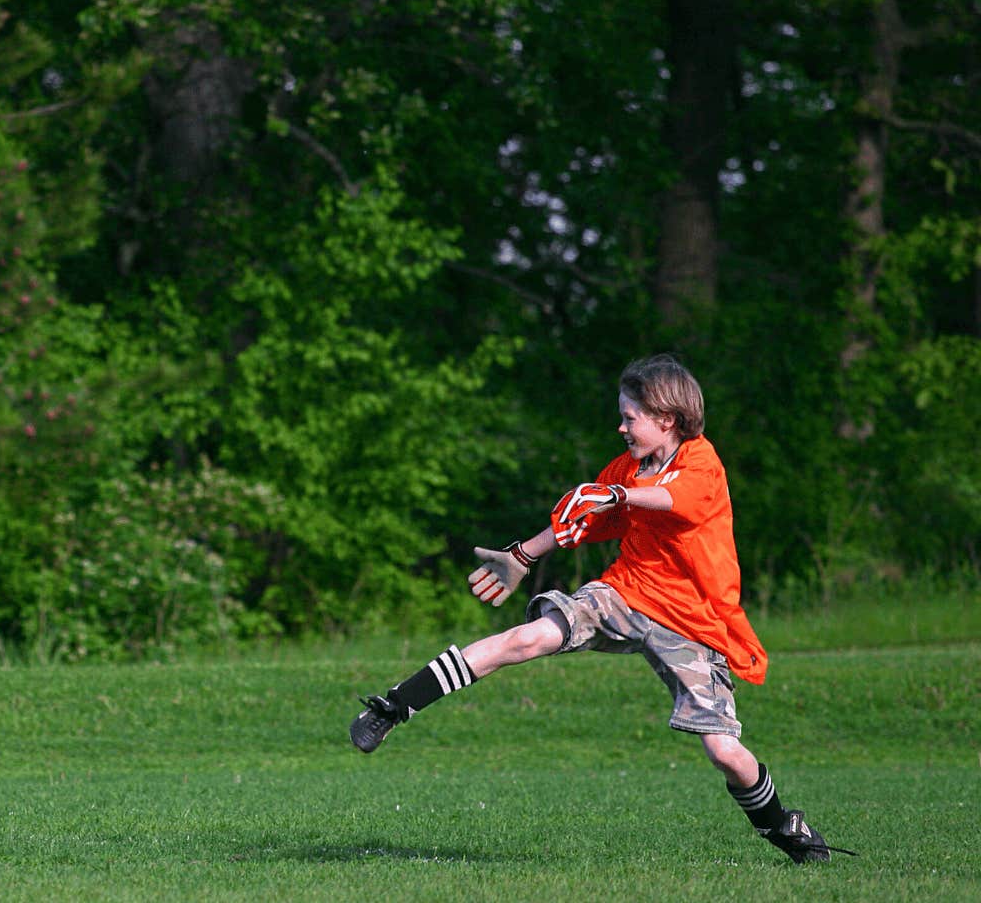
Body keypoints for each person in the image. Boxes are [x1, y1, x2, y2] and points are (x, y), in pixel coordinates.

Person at [348, 354, 847, 864]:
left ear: (667, 419)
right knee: (528, 637)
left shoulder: (702, 463)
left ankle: (785, 827)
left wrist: (618, 494)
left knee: (725, 753)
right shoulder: (626, 469)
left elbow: (668, 499)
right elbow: (583, 515)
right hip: (625, 594)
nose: (621, 426)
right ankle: (392, 707)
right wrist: (523, 554)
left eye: (630, 417)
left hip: (694, 624)